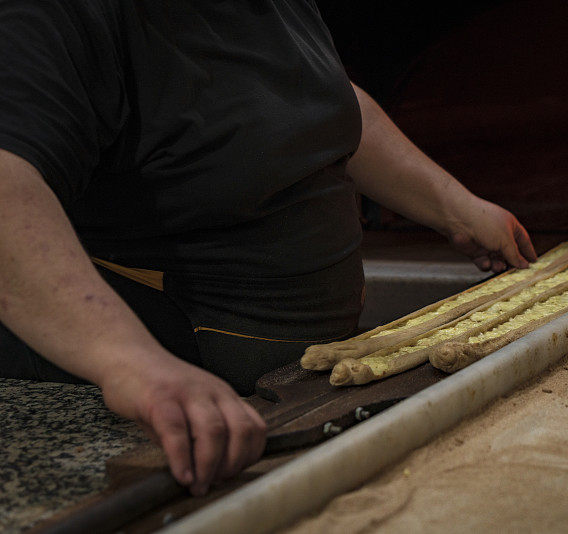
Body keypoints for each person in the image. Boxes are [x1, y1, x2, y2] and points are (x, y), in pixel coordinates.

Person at [0, 1, 536, 496]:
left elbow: (318, 102)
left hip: (302, 388)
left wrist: (455, 206)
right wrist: (132, 364)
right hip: (158, 401)